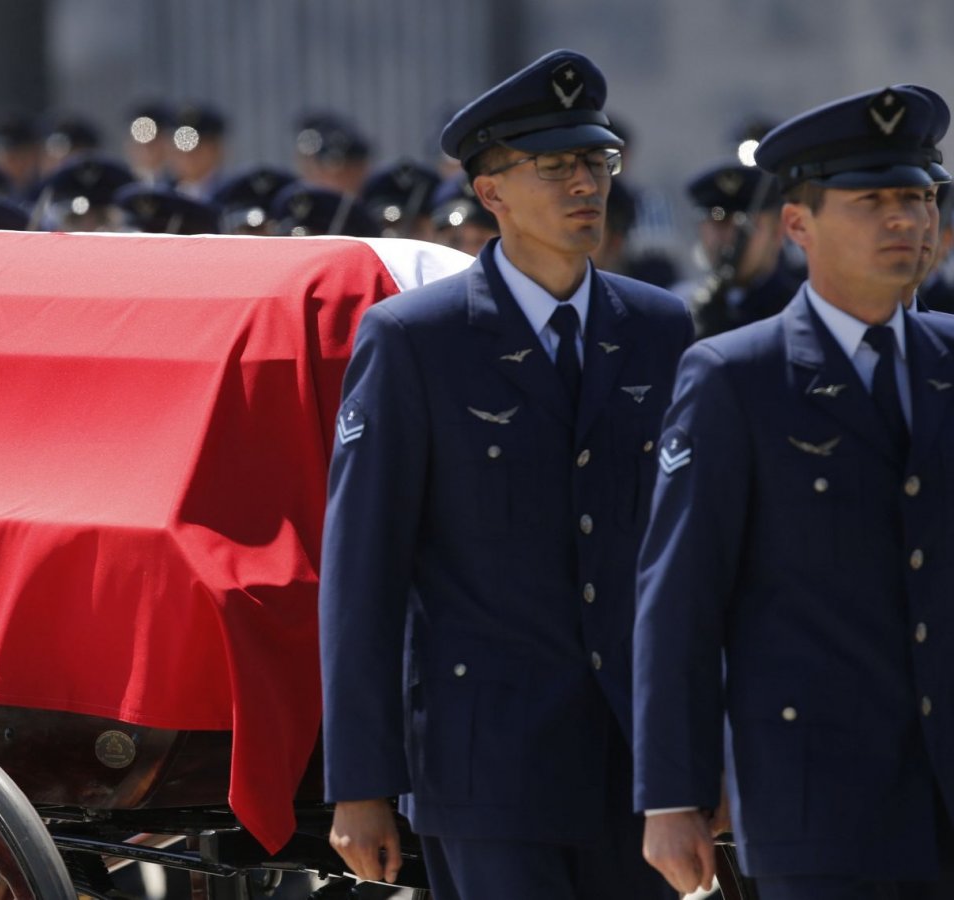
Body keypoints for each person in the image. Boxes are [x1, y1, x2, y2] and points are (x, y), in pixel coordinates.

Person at [318, 49, 691, 900]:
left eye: (596, 161)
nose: (585, 183)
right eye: (555, 166)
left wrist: (708, 757)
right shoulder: (416, 340)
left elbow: (691, 559)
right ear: (490, 193)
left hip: (637, 766)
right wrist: (361, 783)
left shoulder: (658, 328)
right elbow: (363, 574)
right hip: (485, 765)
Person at [634, 85, 954, 900]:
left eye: (919, 198)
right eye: (874, 200)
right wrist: (673, 793)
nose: (906, 222)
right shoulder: (735, 375)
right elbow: (681, 597)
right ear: (798, 224)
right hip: (818, 799)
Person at [676, 159, 800, 336]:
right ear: (701, 228)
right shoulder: (684, 309)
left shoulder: (796, 312)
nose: (731, 237)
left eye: (748, 225)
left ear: (778, 232)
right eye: (719, 220)